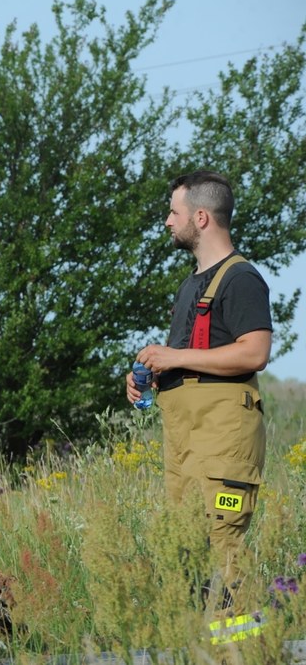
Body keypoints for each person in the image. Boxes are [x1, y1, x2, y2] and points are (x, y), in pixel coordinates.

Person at [128, 171, 272, 593]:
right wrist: (153, 373)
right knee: (183, 550)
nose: (168, 222)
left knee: (223, 546)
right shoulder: (191, 285)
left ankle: (243, 650)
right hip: (186, 441)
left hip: (223, 441)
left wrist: (174, 356)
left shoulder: (241, 278)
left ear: (202, 217)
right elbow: (197, 361)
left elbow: (255, 352)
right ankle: (197, 649)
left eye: (175, 212)